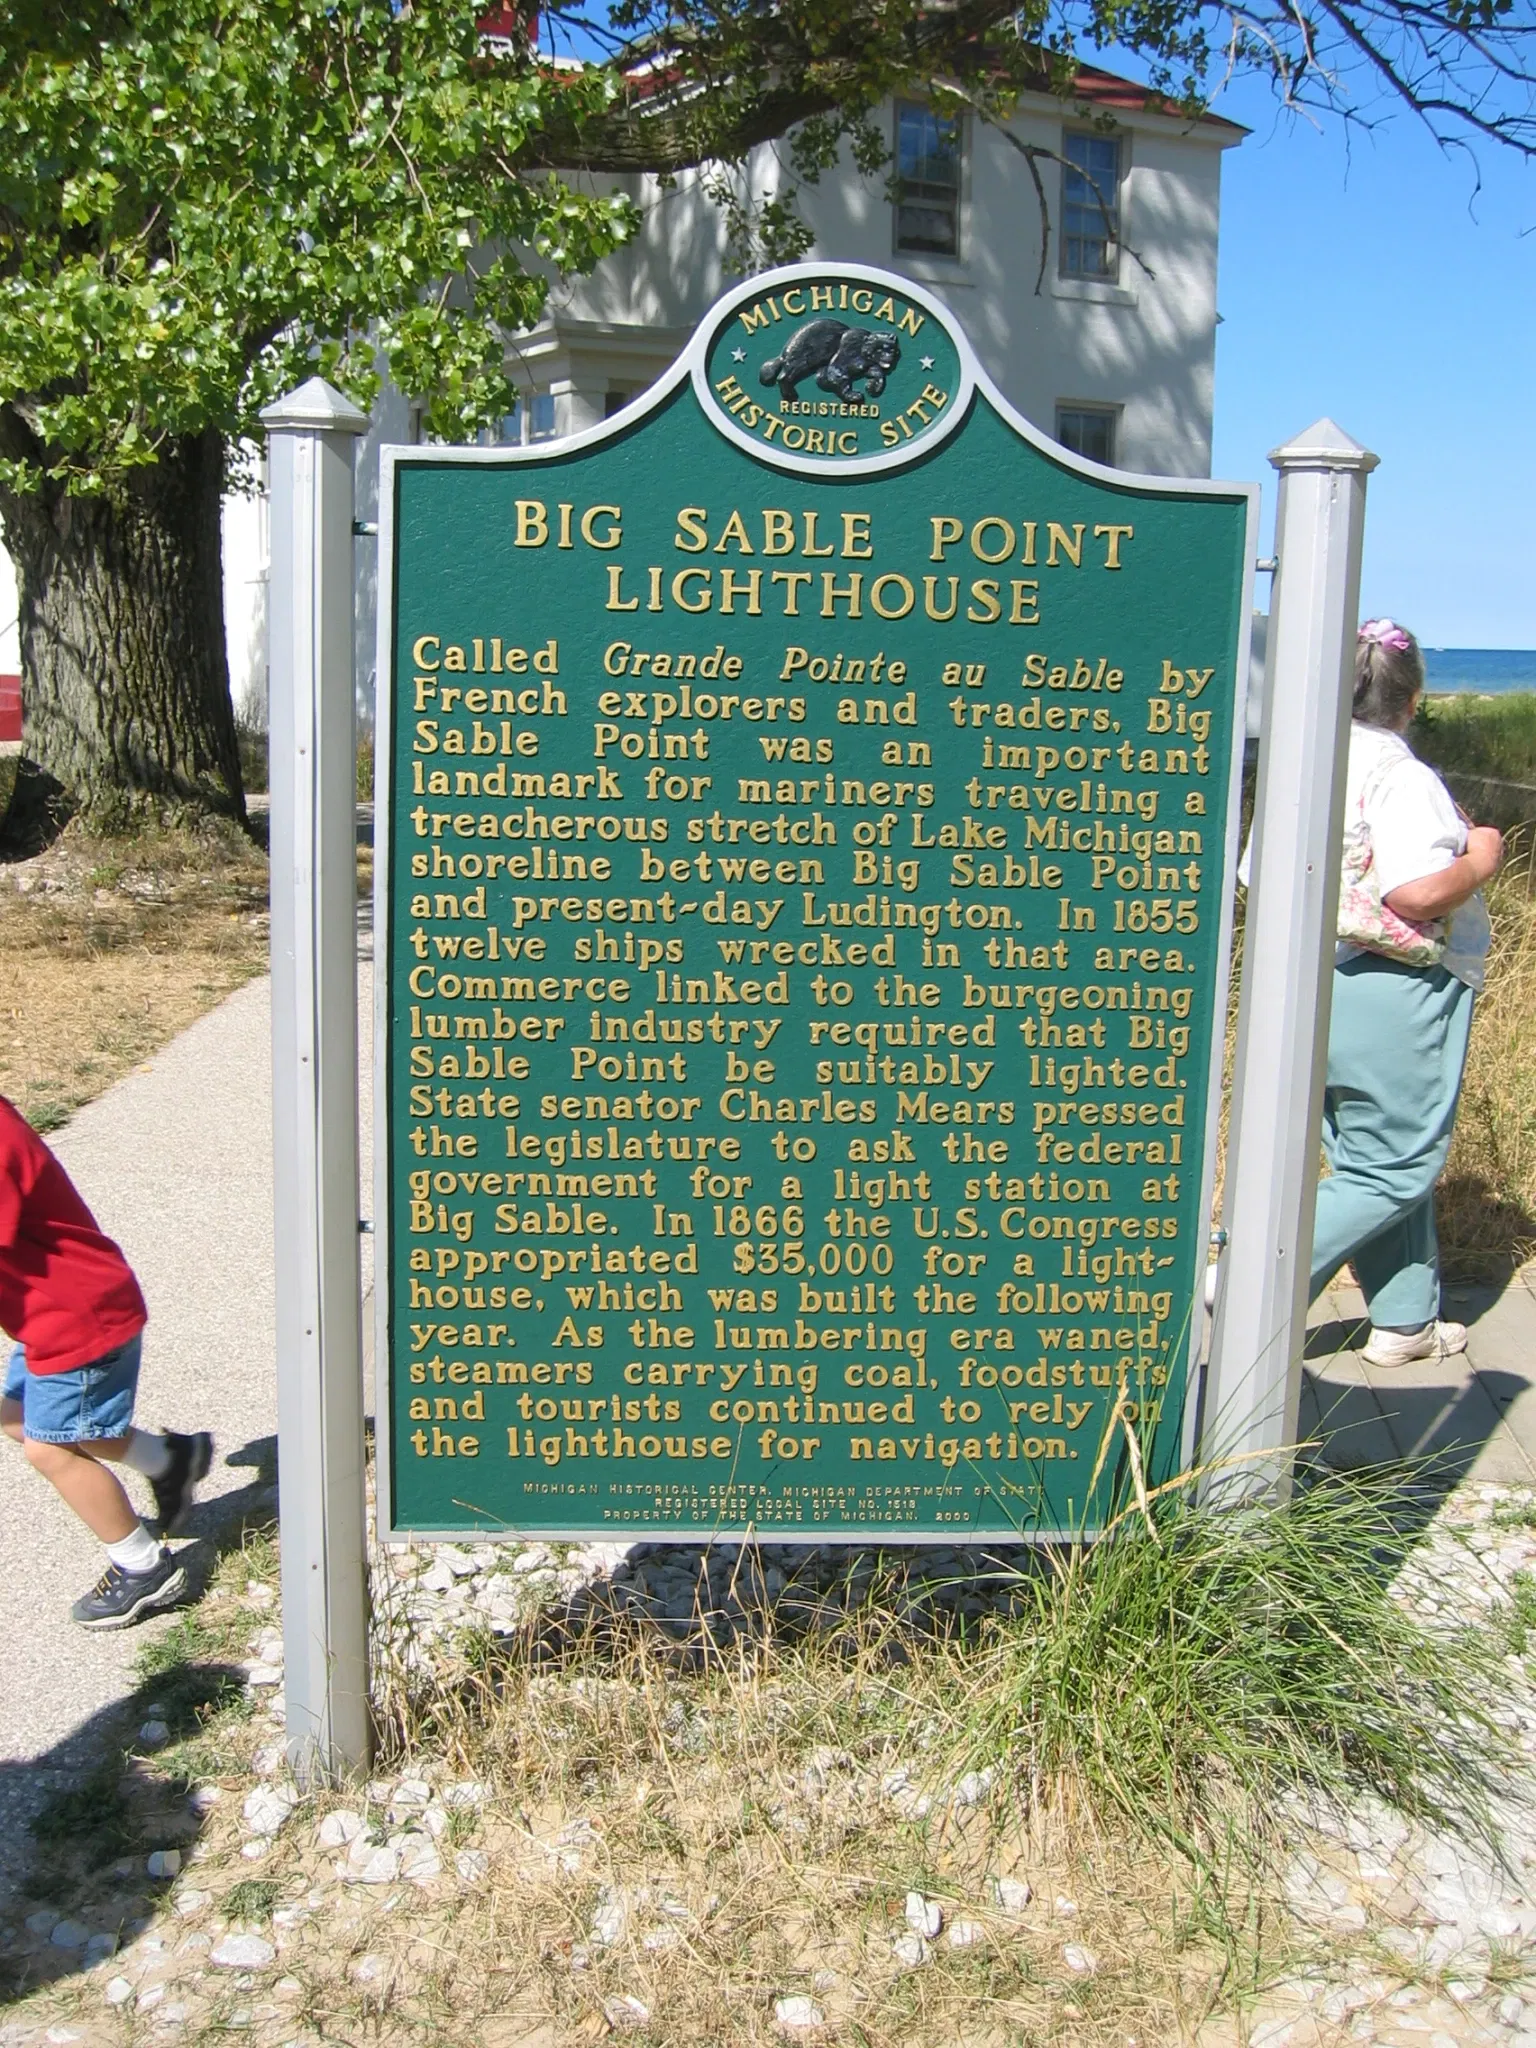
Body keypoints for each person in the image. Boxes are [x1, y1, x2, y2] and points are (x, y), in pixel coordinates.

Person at [1308, 617, 1503, 1364]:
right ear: (1413, 698)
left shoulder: (1312, 758)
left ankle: (1404, 1322)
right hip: (1399, 982)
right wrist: (1482, 855)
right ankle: (1238, 1286)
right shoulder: (1401, 774)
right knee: (1392, 1166)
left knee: (1373, 1152)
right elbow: (1417, 891)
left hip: (1320, 975)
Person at [0, 1095, 211, 1626]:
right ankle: (168, 1461)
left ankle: (143, 1568)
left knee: (50, 1448)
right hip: (52, 1313)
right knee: (20, 1417)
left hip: (75, 1318)